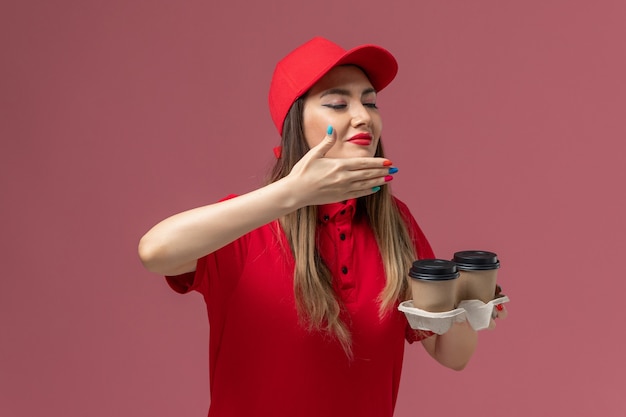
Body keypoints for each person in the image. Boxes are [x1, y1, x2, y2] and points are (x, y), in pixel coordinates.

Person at [138, 36, 505, 417]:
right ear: (295, 122)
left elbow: (452, 355)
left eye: (370, 101)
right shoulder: (247, 225)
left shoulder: (395, 224)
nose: (363, 116)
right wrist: (291, 193)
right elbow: (154, 252)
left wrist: (468, 306)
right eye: (337, 103)